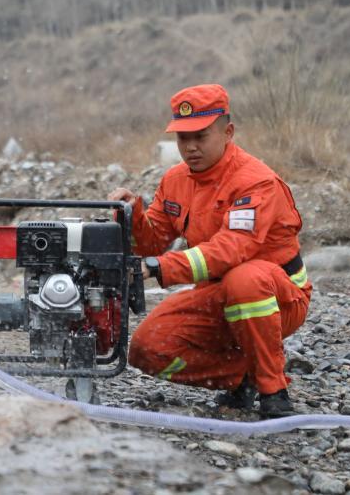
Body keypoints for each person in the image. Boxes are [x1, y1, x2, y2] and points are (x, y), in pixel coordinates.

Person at [108, 84, 310, 419]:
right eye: (182, 139)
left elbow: (231, 250)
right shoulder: (176, 180)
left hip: (279, 299)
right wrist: (132, 215)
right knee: (147, 348)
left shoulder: (256, 182)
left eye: (200, 136)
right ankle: (243, 375)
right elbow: (151, 242)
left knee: (244, 279)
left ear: (227, 132)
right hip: (217, 295)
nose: (190, 147)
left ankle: (273, 389)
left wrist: (158, 268)